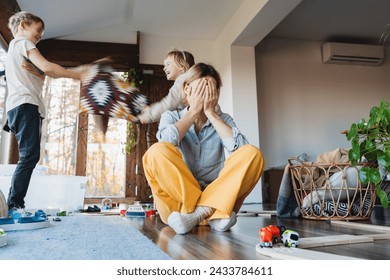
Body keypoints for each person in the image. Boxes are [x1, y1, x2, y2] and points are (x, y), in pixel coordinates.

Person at [142, 63, 265, 234]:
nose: (204, 94)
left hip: (215, 197)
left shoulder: (224, 119)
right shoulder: (170, 116)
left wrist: (211, 114)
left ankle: (200, 213)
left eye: (209, 90)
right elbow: (166, 143)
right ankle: (209, 212)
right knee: (154, 152)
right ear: (187, 90)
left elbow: (242, 152)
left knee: (253, 154)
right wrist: (193, 112)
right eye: (200, 89)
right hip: (179, 206)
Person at [4, 11, 88, 214]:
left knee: (29, 156)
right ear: (23, 25)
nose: (40, 35)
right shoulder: (23, 43)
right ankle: (14, 204)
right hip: (25, 106)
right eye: (38, 29)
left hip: (18, 108)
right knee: (29, 156)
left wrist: (38, 72)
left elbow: (42, 73)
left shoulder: (14, 51)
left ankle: (14, 203)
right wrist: (78, 74)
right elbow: (48, 67)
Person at [137, 49, 195, 124]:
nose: (164, 68)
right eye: (164, 65)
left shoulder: (182, 81)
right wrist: (150, 109)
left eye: (168, 64)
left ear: (182, 67)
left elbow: (168, 104)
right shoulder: (188, 80)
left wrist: (149, 116)